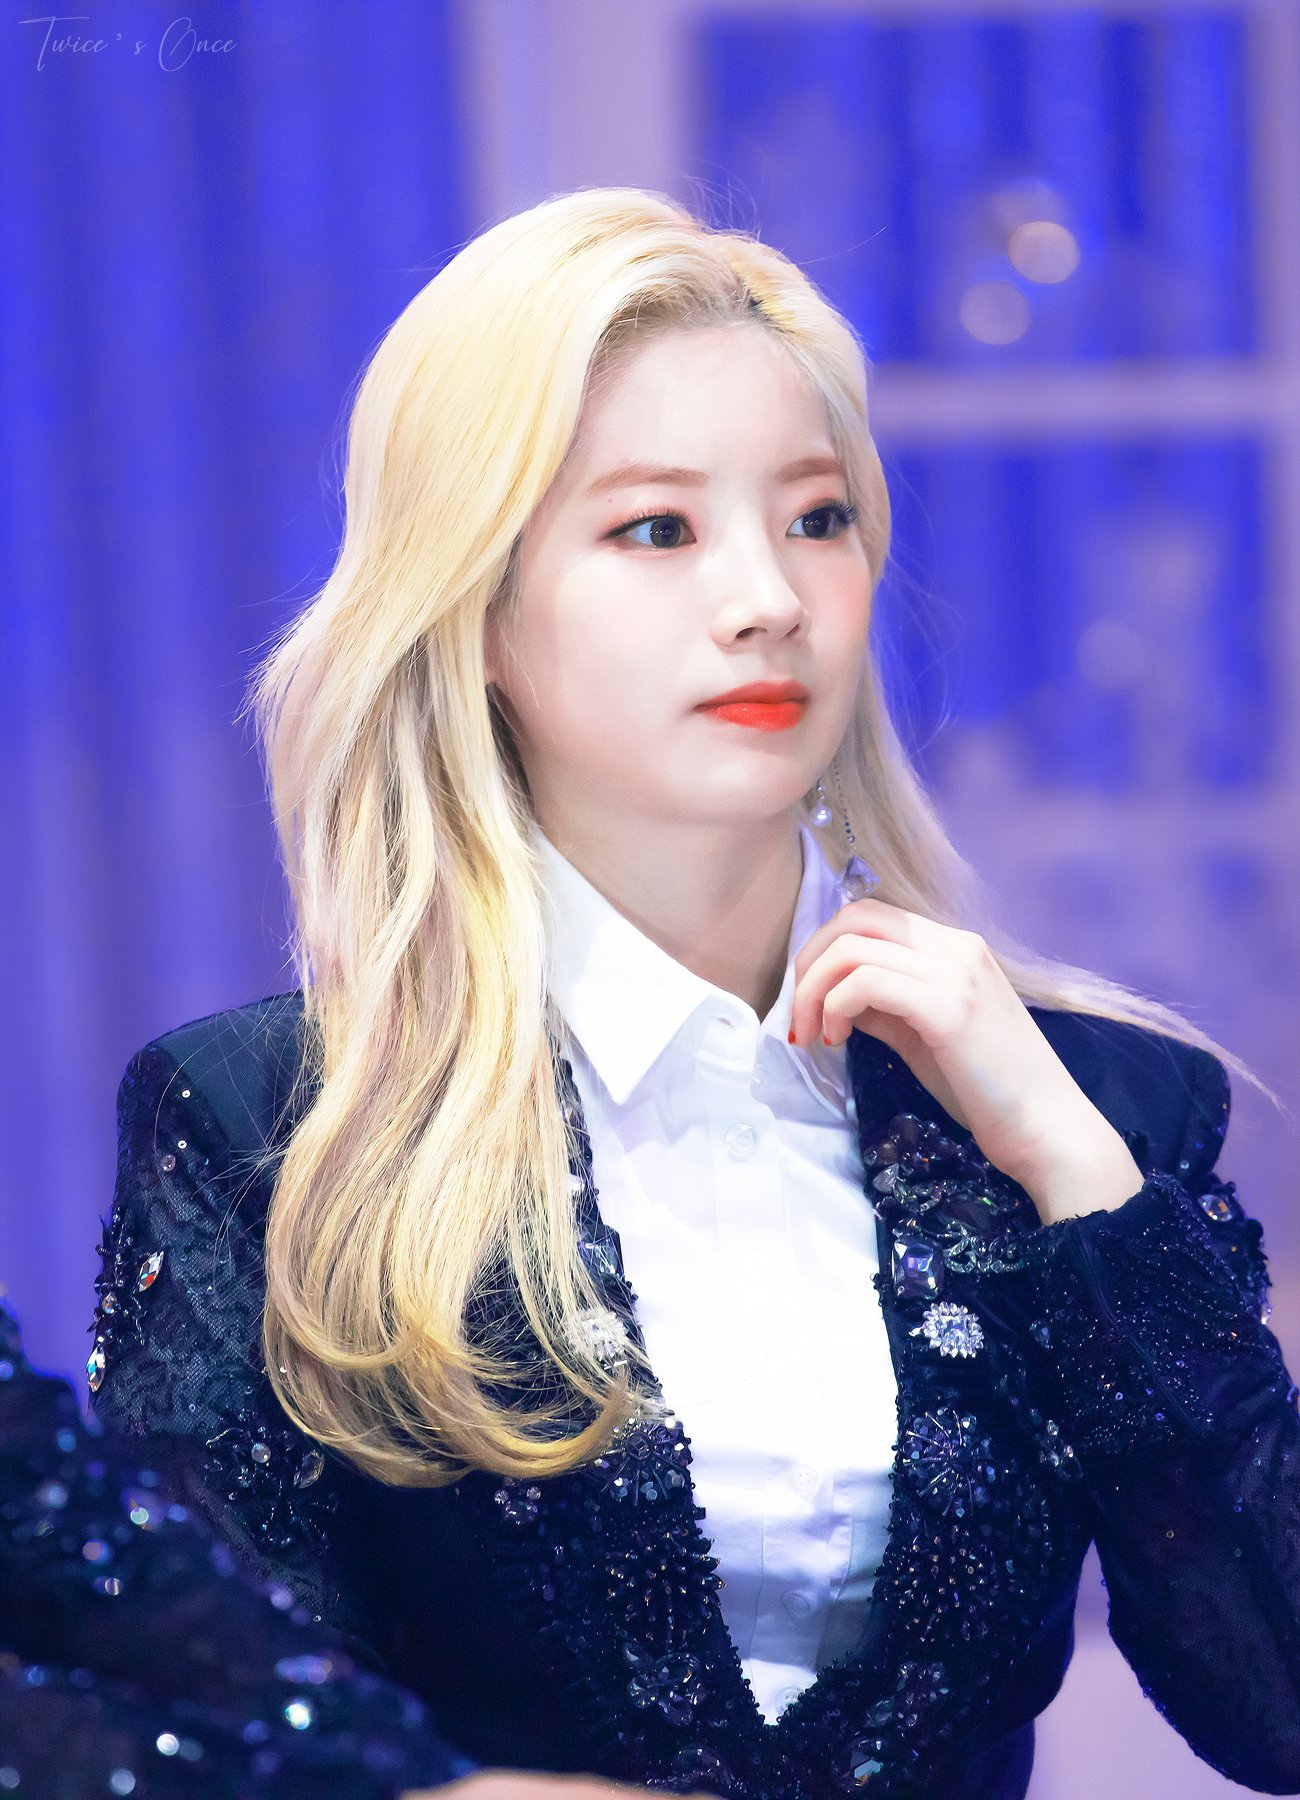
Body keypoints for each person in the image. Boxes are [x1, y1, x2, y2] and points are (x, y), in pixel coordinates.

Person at [87, 187, 1300, 1799]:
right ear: (478, 612)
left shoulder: (1094, 1106)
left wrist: (1075, 1170)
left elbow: (1277, 1704)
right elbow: (195, 1731)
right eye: (658, 530)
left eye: (817, 518)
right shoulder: (269, 1130)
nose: (770, 600)